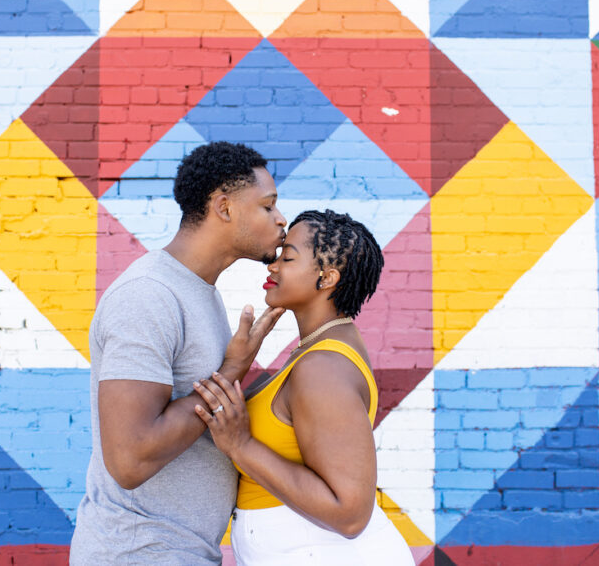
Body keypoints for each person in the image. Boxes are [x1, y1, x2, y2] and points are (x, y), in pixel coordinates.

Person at [70, 142, 287, 565]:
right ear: (224, 207)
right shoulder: (149, 296)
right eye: (267, 206)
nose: (280, 219)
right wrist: (232, 369)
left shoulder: (198, 292)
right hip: (137, 553)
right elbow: (130, 458)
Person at [193, 209, 414, 565]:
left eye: (288, 257)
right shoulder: (320, 350)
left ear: (326, 278)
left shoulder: (322, 368)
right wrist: (240, 363)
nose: (273, 266)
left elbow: (350, 514)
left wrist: (241, 445)